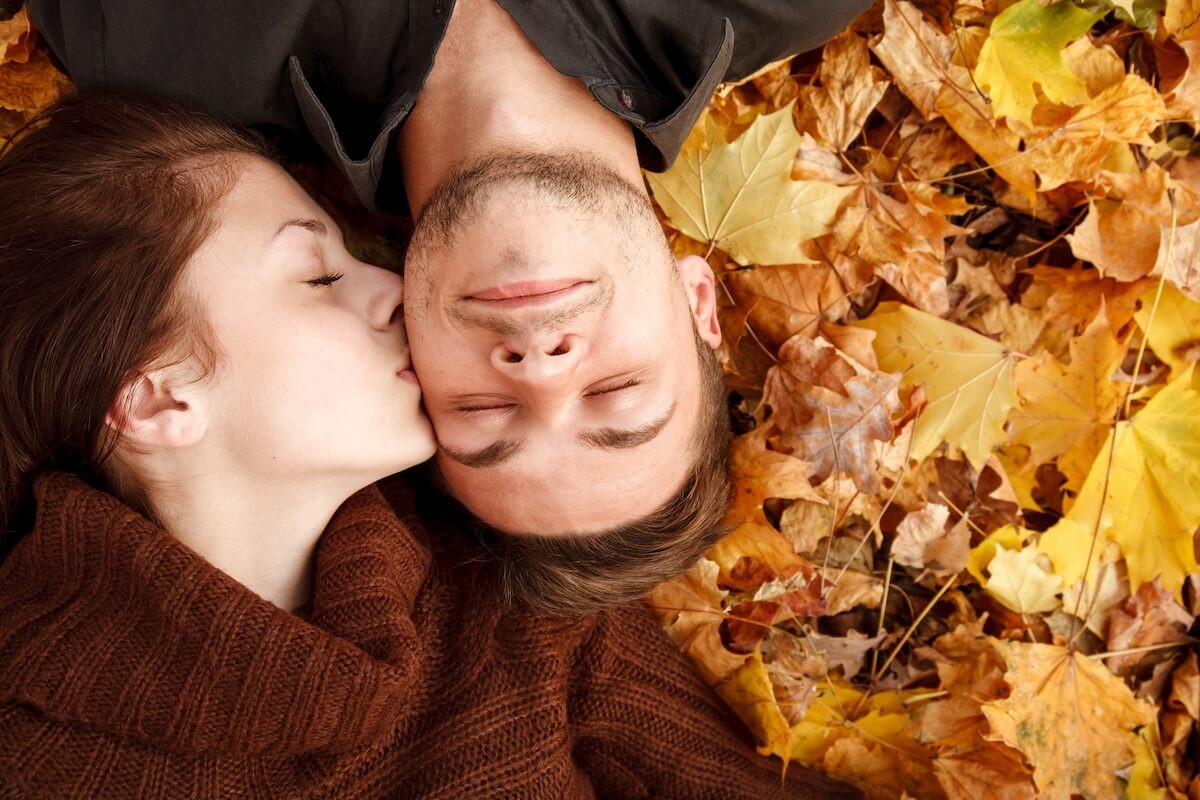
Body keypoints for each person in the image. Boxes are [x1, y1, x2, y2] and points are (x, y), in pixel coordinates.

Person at [0, 91, 861, 799]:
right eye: (318, 275)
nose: (391, 288)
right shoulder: (38, 758)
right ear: (157, 400)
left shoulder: (508, 619)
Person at [25, 0, 871, 562]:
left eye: (483, 412)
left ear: (410, 356)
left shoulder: (157, 44)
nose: (542, 370)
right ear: (698, 304)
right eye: (617, 392)